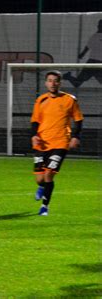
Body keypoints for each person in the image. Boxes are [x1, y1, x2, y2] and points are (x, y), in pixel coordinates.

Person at [31, 70, 84, 215]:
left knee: (49, 174)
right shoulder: (40, 100)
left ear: (60, 83)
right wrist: (34, 135)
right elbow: (35, 121)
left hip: (60, 143)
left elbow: (78, 120)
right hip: (41, 143)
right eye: (50, 80)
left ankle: (44, 207)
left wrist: (75, 136)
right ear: (46, 83)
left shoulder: (70, 100)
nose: (52, 83)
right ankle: (42, 187)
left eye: (55, 80)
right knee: (39, 179)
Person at [63, 19, 102, 88]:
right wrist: (82, 54)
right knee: (77, 83)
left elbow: (87, 47)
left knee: (77, 83)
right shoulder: (94, 36)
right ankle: (68, 76)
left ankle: (68, 76)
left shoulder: (94, 36)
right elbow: (87, 47)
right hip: (92, 62)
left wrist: (82, 54)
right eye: (100, 25)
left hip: (98, 63)